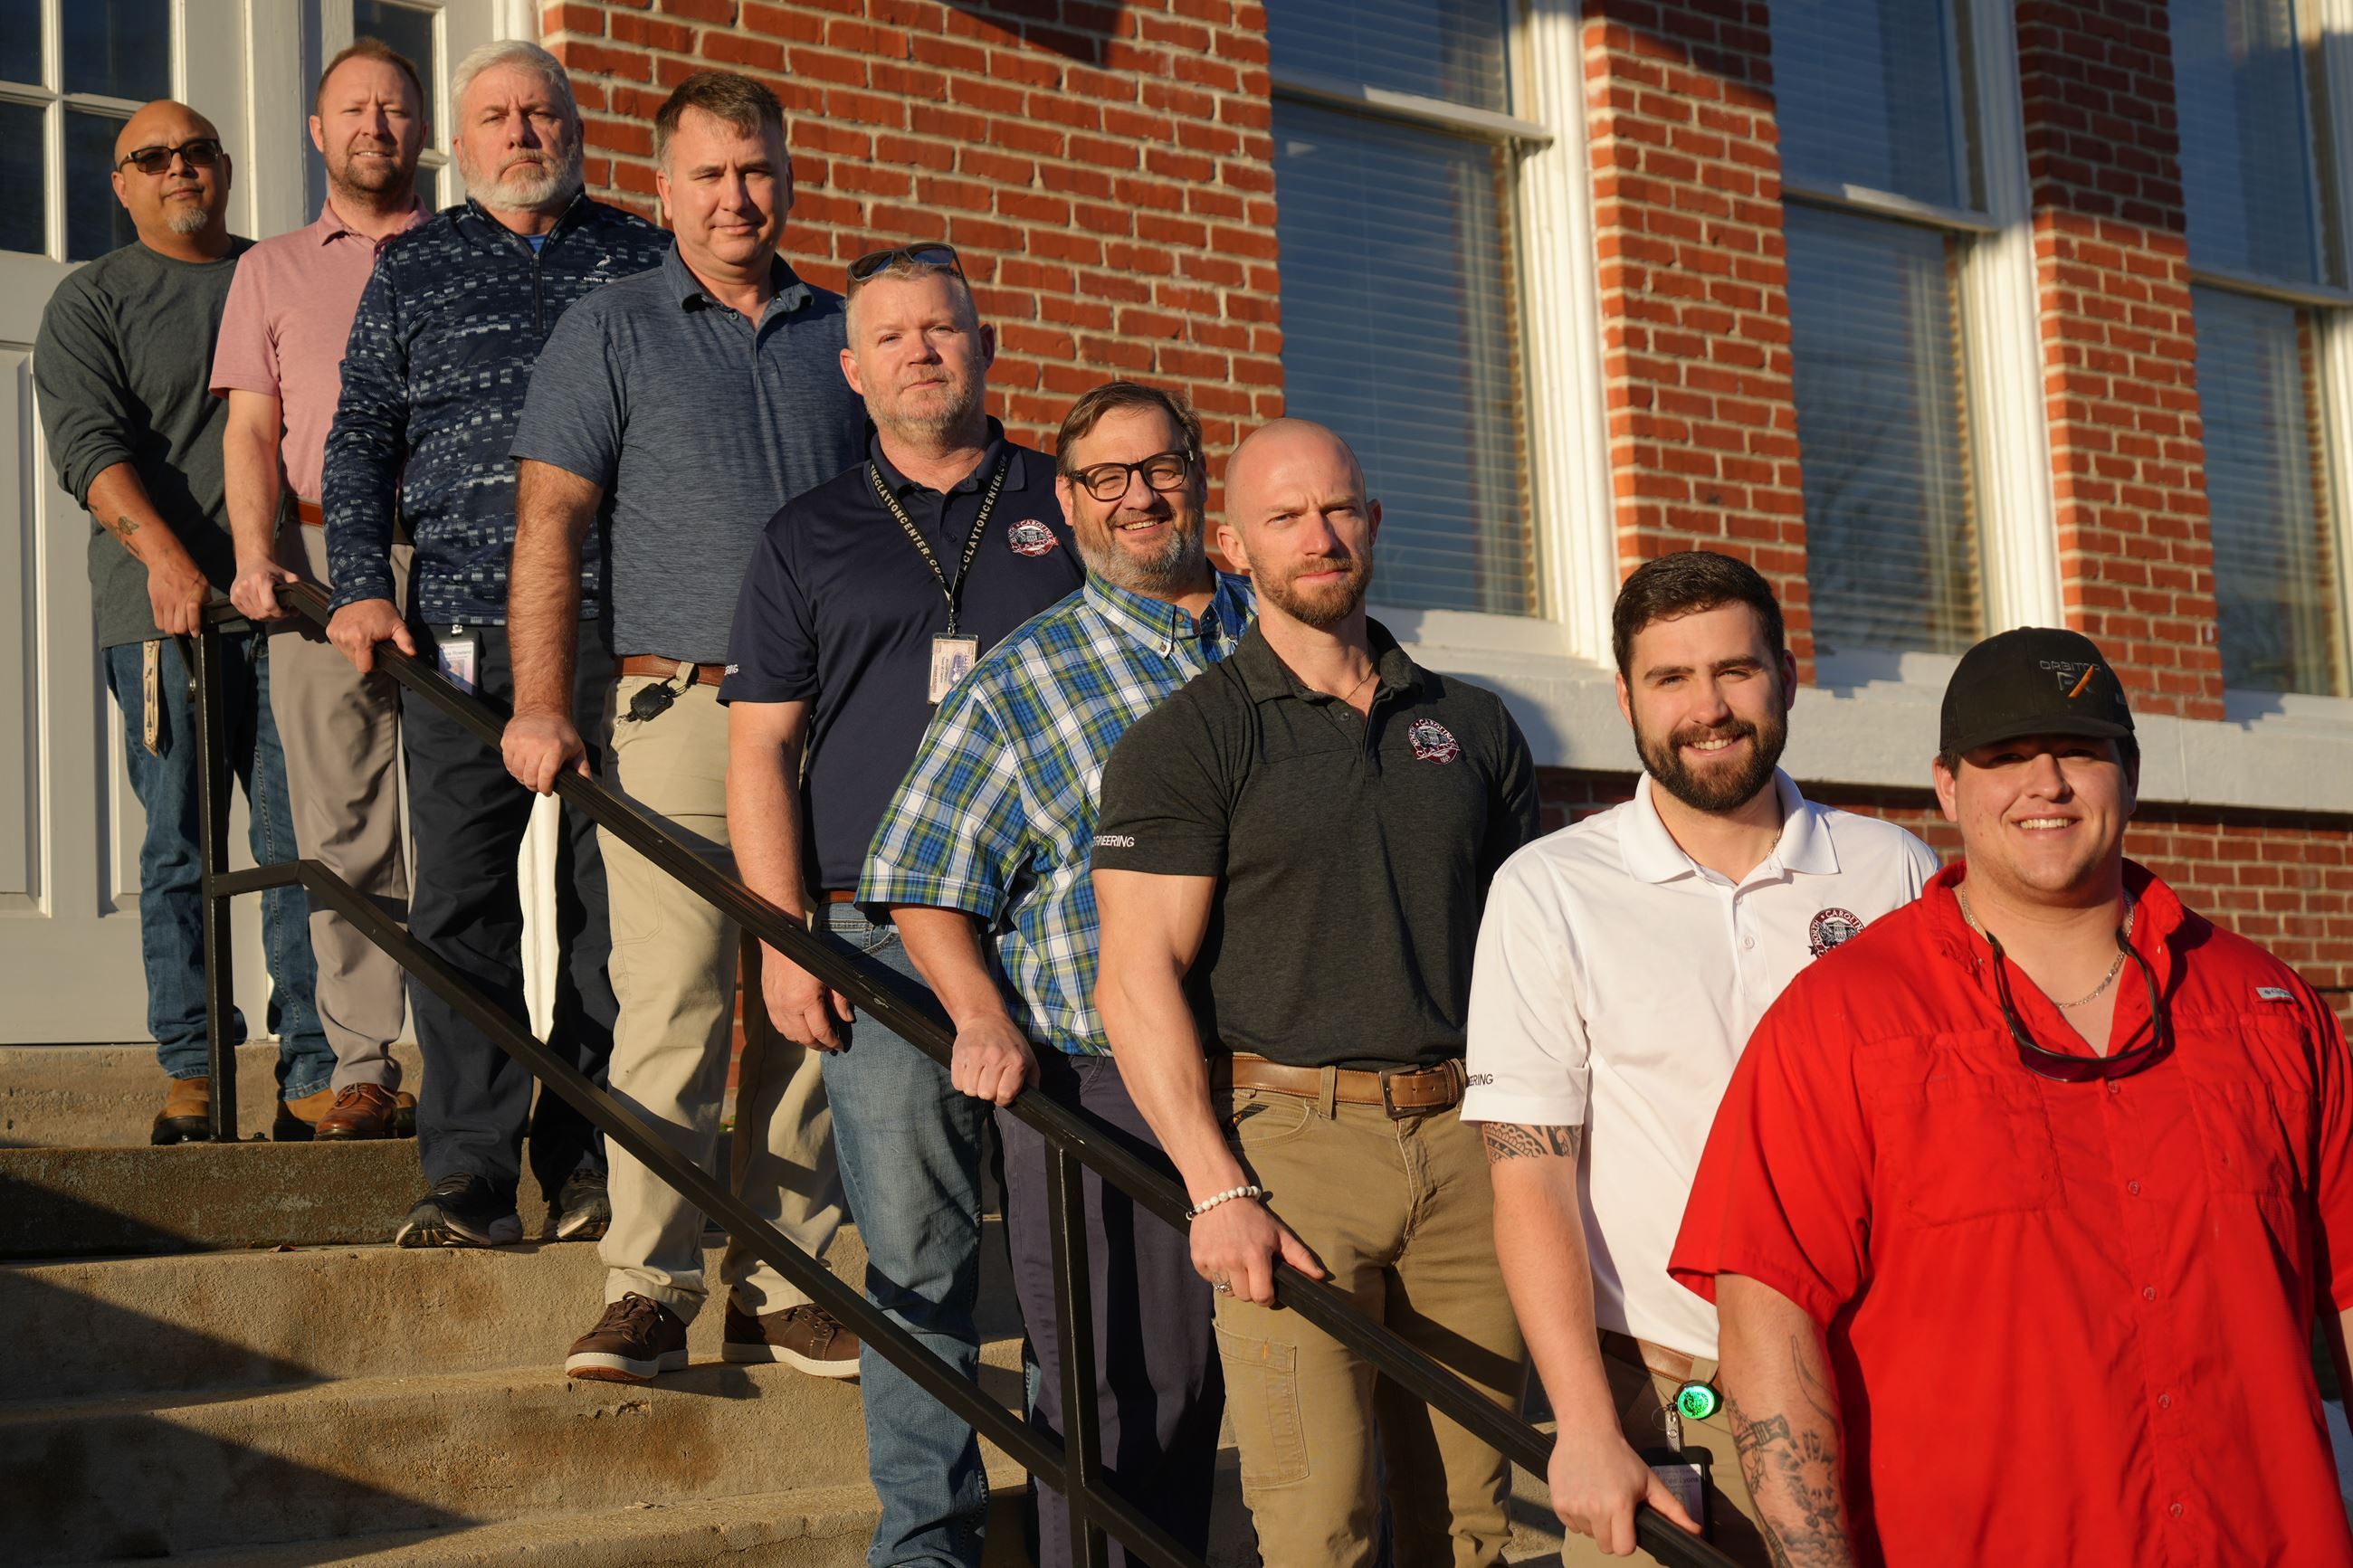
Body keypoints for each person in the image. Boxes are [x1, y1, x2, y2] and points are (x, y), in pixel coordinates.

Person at [1669, 627, 2353, 1568]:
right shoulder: (1842, 1023)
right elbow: (1764, 1325)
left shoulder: (2265, 1009)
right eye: (2002, 757)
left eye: (2077, 749)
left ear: (2129, 769)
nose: (2045, 783)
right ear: (1946, 785)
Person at [1092, 418, 1540, 1568]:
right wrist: (1212, 1186)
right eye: (1285, 517)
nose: (1319, 534)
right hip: (1292, 1151)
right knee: (1316, 1523)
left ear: (1374, 523)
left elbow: (1525, 959)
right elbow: (1134, 976)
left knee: (1471, 1522)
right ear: (1232, 546)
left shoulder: (1474, 723)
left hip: (1464, 1145)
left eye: (1339, 508)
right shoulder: (1187, 738)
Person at [498, 71, 865, 1385]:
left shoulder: (846, 332)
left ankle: (787, 1276)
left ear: (787, 177)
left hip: (839, 722)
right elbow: (550, 524)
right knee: (676, 1000)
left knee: (814, 1004)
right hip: (681, 708)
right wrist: (543, 704)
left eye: (757, 169)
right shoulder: (612, 325)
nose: (736, 196)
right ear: (662, 191)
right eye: (708, 174)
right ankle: (648, 1281)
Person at [1462, 551, 1939, 1563]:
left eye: (1734, 670)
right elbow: (1530, 1181)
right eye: (1669, 678)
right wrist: (1584, 1423)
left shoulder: (1891, 867)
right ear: (1625, 697)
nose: (1706, 706)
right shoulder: (1550, 889)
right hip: (1666, 1396)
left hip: (1882, 1377)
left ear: (1787, 678)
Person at [720, 245, 1082, 1568]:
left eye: (945, 327)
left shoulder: (1069, 501)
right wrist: (782, 941)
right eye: (893, 334)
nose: (922, 350)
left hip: (1060, 935)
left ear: (983, 346)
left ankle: (1076, 1523)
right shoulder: (806, 533)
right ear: (852, 367)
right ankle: (926, 1543)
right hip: (874, 944)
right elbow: (759, 749)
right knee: (918, 1258)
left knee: (1070, 1262)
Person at [862, 381, 1248, 1567]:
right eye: (1104, 478)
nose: (1140, 496)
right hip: (1105, 1086)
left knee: (1268, 1393)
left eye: (1162, 466)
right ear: (1069, 507)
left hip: (1284, 1074)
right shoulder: (1023, 681)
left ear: (1198, 473)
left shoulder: (1283, 640)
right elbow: (924, 874)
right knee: (1124, 1403)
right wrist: (980, 1015)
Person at [321, 40, 671, 1248]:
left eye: (542, 111)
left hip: (620, 632)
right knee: (462, 905)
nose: (523, 130)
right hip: (459, 631)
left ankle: (583, 1165)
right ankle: (469, 1172)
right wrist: (360, 586)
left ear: (576, 127)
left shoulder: (644, 256)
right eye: (497, 116)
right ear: (457, 145)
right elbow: (359, 439)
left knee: (606, 906)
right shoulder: (412, 267)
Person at [33, 100, 335, 1144]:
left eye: (195, 151)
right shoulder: (95, 301)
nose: (177, 169)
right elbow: (85, 446)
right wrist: (167, 561)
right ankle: (194, 1069)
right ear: (120, 183)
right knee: (179, 845)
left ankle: (315, 1071)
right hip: (162, 619)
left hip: (292, 614)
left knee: (307, 845)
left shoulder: (278, 276)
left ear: (228, 165)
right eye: (150, 157)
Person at [211, 38, 431, 1141]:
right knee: (341, 818)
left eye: (394, 109)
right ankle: (361, 1064)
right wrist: (259, 558)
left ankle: (480, 1052)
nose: (374, 127)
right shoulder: (272, 270)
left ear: (421, 127)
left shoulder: (469, 256)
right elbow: (251, 429)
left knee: (455, 819)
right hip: (316, 566)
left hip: (454, 561)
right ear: (316, 131)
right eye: (353, 110)